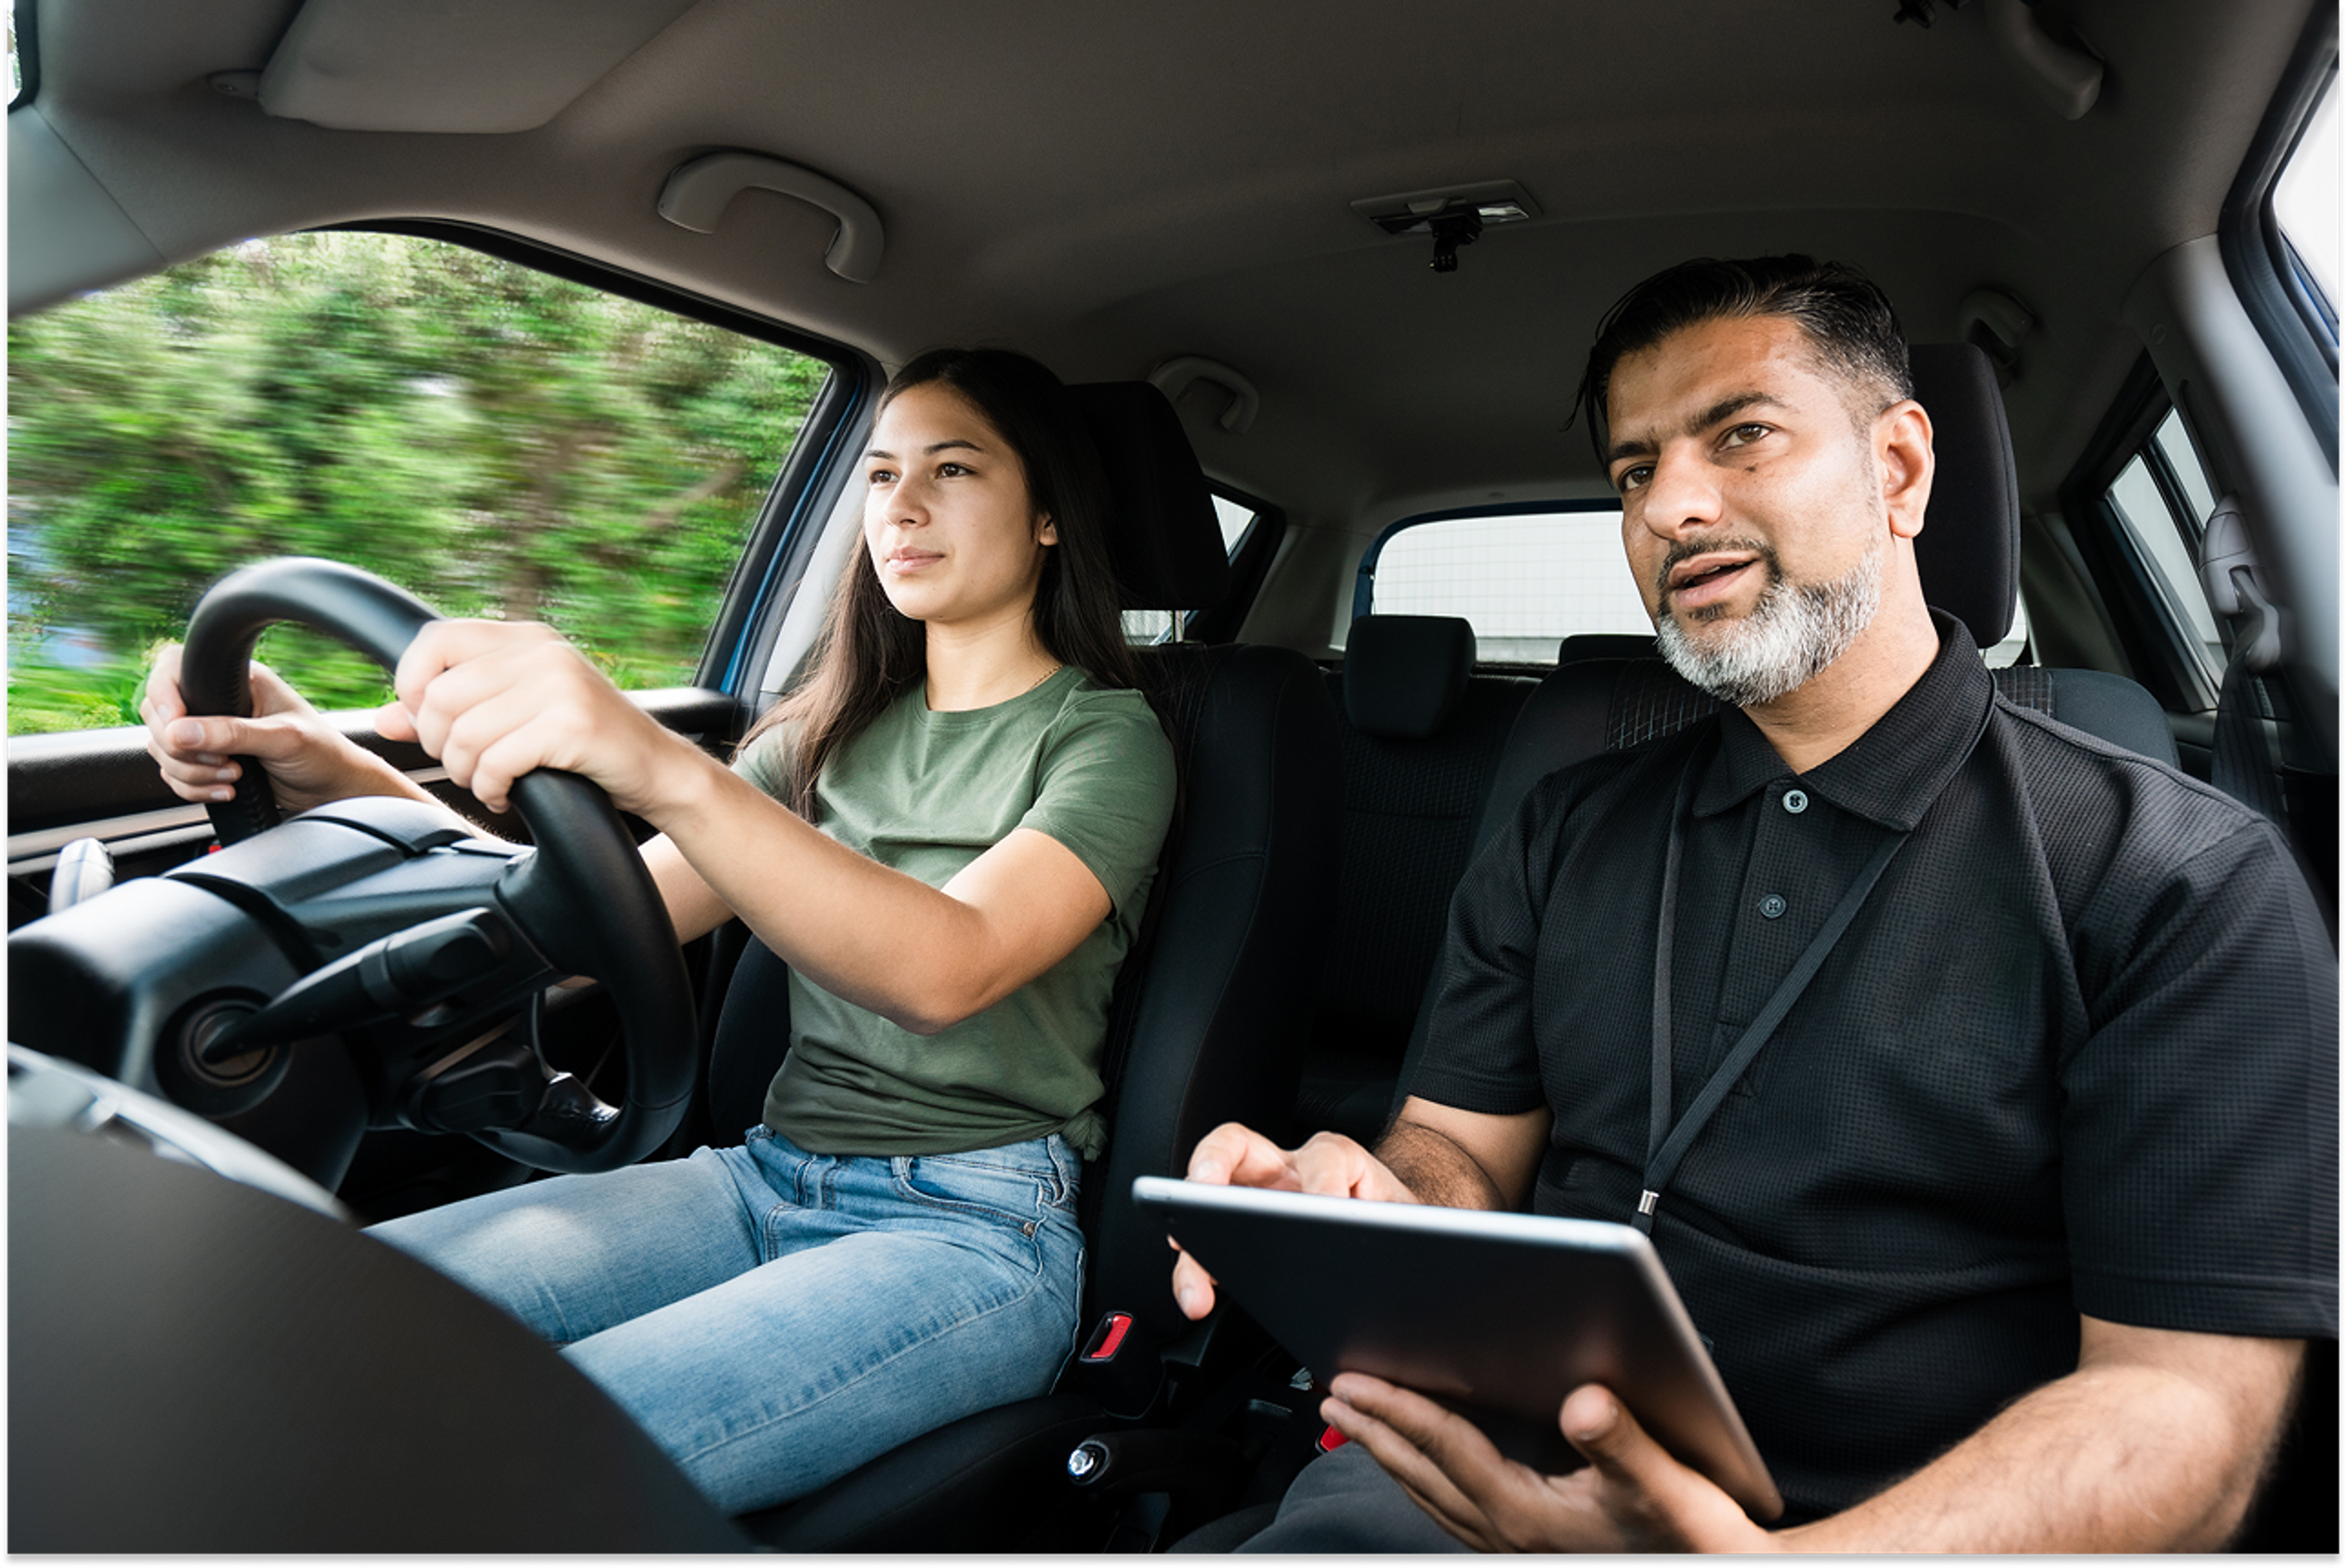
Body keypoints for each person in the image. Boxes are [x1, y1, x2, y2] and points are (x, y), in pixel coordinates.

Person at [1169, 257, 2336, 1554]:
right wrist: (1365, 1199)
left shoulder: (2177, 874)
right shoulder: (1565, 823)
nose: (1669, 504)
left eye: (1743, 436)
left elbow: (2183, 1410)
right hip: (1489, 1484)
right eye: (1631, 471)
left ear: (1899, 471)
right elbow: (1458, 1151)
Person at [142, 348, 1178, 1514]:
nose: (903, 505)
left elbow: (949, 968)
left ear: (1047, 516)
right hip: (759, 1178)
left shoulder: (1105, 739)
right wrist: (326, 770)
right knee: (314, 1322)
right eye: (881, 474)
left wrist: (661, 765)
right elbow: (582, 920)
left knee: (492, 1459)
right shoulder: (828, 731)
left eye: (953, 468)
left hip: (974, 1229)